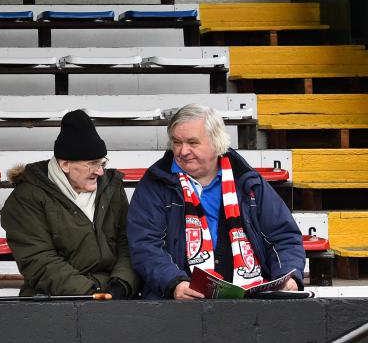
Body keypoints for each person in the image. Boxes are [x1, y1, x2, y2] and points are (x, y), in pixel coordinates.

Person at [127, 103, 305, 300]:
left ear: (217, 143)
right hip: (177, 306)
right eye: (177, 142)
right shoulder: (155, 183)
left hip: (249, 306)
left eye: (192, 143)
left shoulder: (248, 183)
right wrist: (174, 283)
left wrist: (289, 277)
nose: (182, 151)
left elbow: (284, 237)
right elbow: (144, 245)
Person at [0, 109, 139, 298]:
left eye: (102, 164)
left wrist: (122, 285)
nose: (99, 172)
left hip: (114, 294)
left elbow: (128, 243)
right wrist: (89, 293)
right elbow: (39, 259)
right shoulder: (26, 198)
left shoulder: (112, 188)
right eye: (92, 164)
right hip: (56, 300)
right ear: (65, 164)